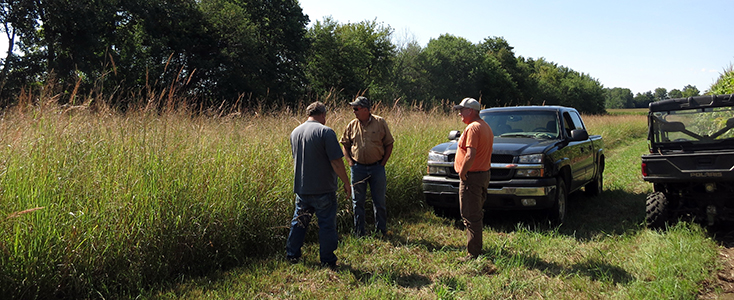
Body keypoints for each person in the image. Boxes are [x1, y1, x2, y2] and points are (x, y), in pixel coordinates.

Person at [286, 102, 351, 268]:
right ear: (323, 114)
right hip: (323, 189)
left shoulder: (295, 132)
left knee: (299, 223)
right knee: (327, 225)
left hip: (302, 188)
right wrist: (346, 182)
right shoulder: (326, 132)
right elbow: (336, 162)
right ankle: (327, 260)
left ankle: (292, 255)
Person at [340, 96, 394, 237]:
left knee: (379, 201)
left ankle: (381, 231)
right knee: (357, 202)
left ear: (365, 109)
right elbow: (345, 144)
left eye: (356, 109)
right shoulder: (352, 125)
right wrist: (351, 163)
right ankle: (359, 233)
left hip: (377, 168)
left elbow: (389, 143)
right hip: (358, 169)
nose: (354, 112)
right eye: (353, 109)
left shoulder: (380, 122)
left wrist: (382, 164)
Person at [453, 97, 493, 260]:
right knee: (475, 213)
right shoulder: (485, 126)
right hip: (483, 175)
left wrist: (463, 172)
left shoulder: (473, 128)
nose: (460, 114)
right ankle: (475, 248)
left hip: (473, 177)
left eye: (462, 110)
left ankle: (473, 253)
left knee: (470, 215)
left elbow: (470, 155)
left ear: (471, 111)